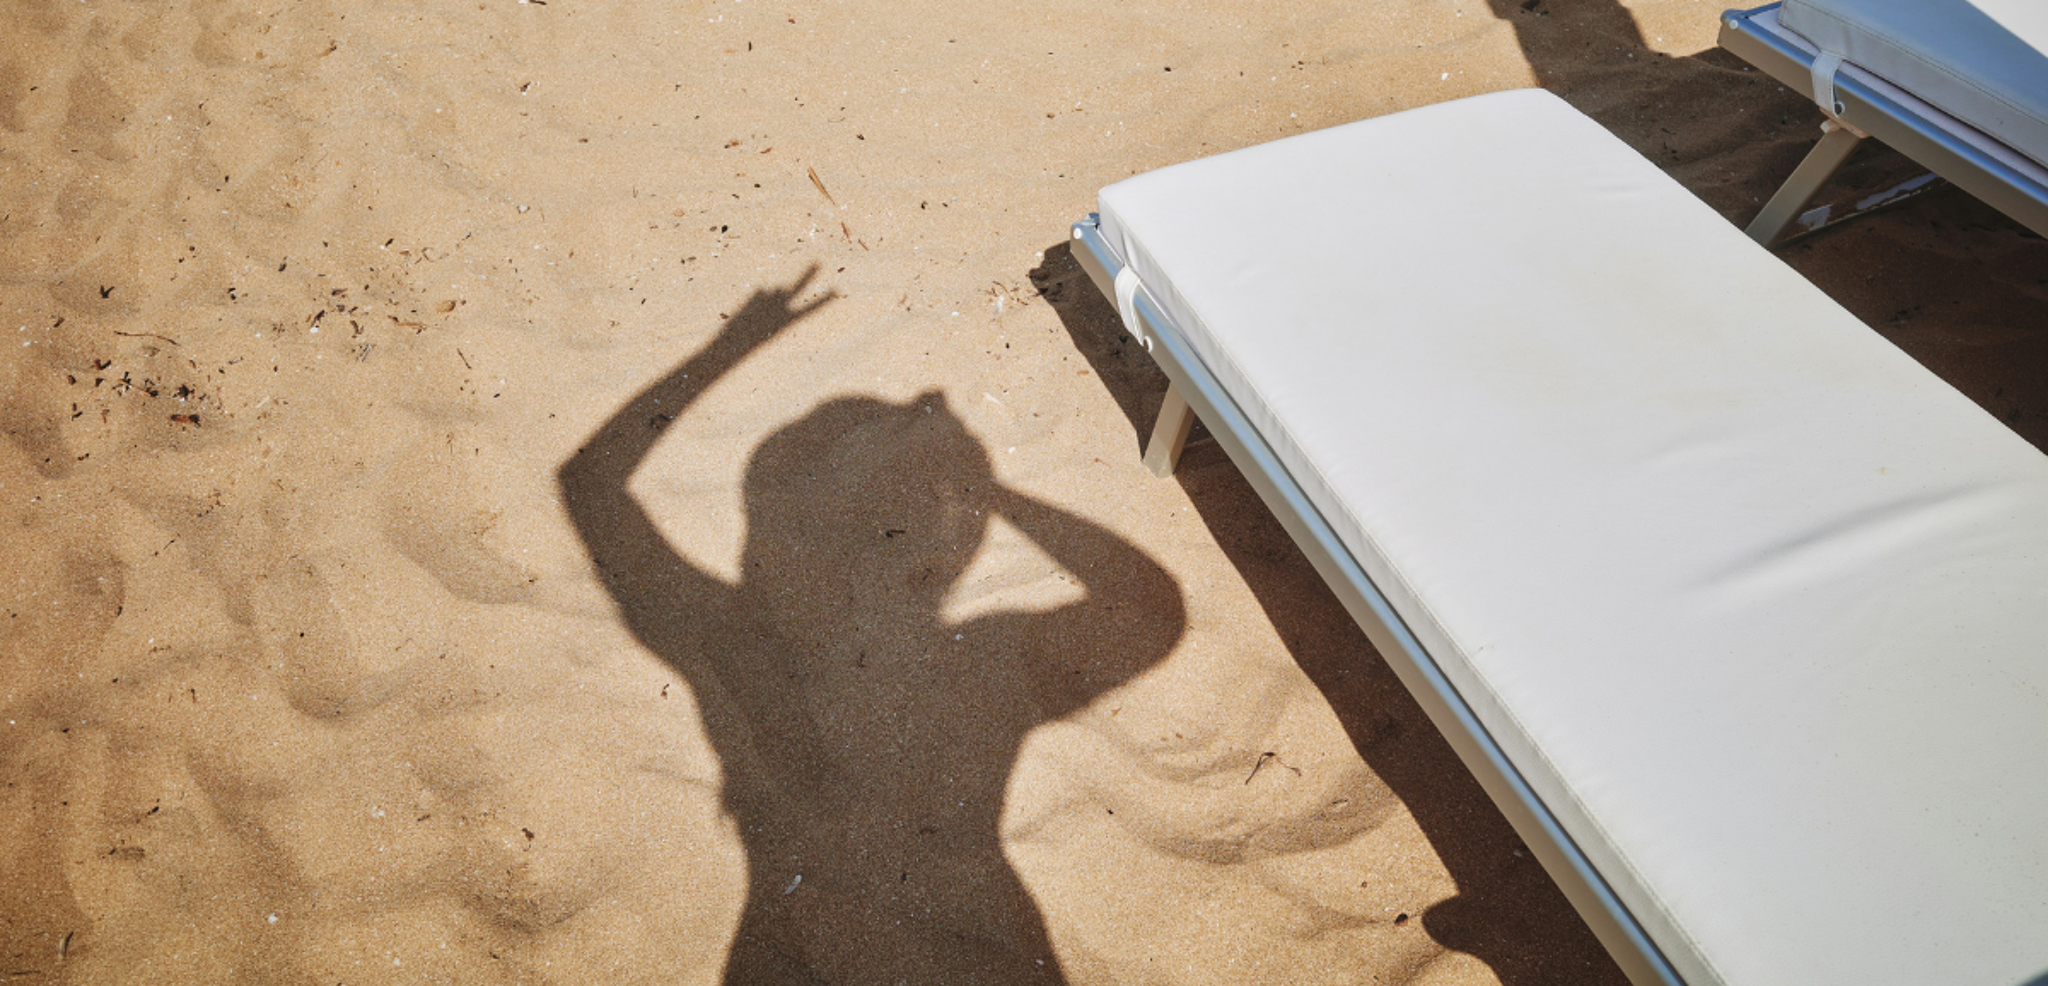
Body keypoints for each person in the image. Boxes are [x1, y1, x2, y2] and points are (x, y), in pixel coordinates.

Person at [559, 268, 1185, 985]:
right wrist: (999, 497)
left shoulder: (731, 640)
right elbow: (1152, 609)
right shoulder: (987, 657)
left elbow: (589, 487)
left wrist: (728, 349)